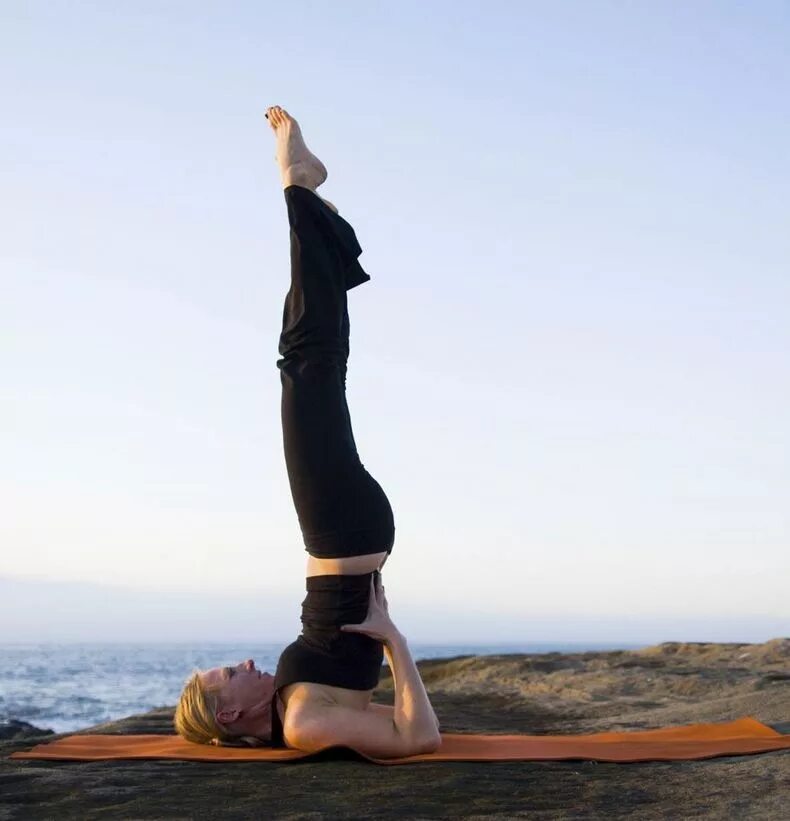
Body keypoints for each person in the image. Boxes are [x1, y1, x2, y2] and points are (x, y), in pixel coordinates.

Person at [174, 106, 441, 759]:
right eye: (230, 672)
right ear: (233, 709)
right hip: (341, 530)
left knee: (315, 370)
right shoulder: (301, 724)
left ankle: (308, 197)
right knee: (305, 368)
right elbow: (420, 737)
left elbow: (372, 704)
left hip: (343, 535)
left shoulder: (298, 708)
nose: (241, 660)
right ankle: (298, 186)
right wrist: (392, 638)